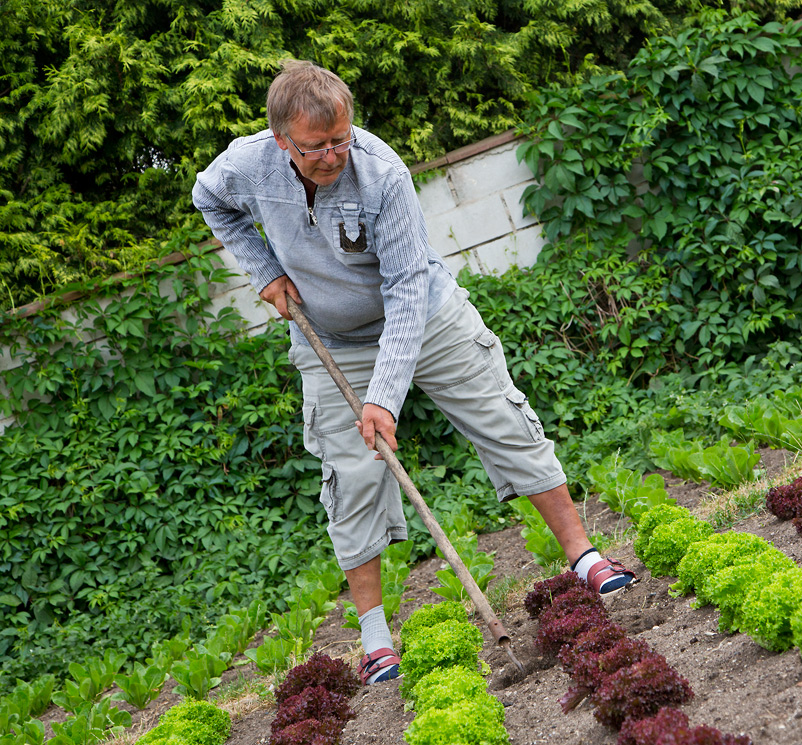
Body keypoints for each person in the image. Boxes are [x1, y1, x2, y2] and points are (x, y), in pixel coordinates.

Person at [192, 59, 635, 684]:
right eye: (317, 146)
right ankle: (375, 636)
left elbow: (404, 289)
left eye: (341, 137)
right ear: (281, 141)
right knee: (350, 476)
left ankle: (583, 557)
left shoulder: (381, 172)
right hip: (334, 339)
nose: (333, 154)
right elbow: (208, 200)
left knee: (503, 417)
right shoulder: (246, 164)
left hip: (424, 315)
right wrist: (263, 270)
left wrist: (384, 399)